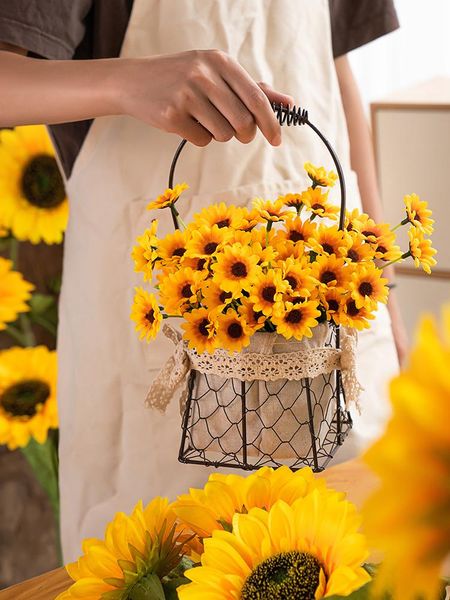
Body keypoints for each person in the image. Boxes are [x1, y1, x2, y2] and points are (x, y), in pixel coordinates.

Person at [0, 0, 404, 562]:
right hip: (153, 330)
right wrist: (126, 81)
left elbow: (335, 78)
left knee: (359, 558)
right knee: (165, 566)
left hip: (333, 324)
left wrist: (387, 300)